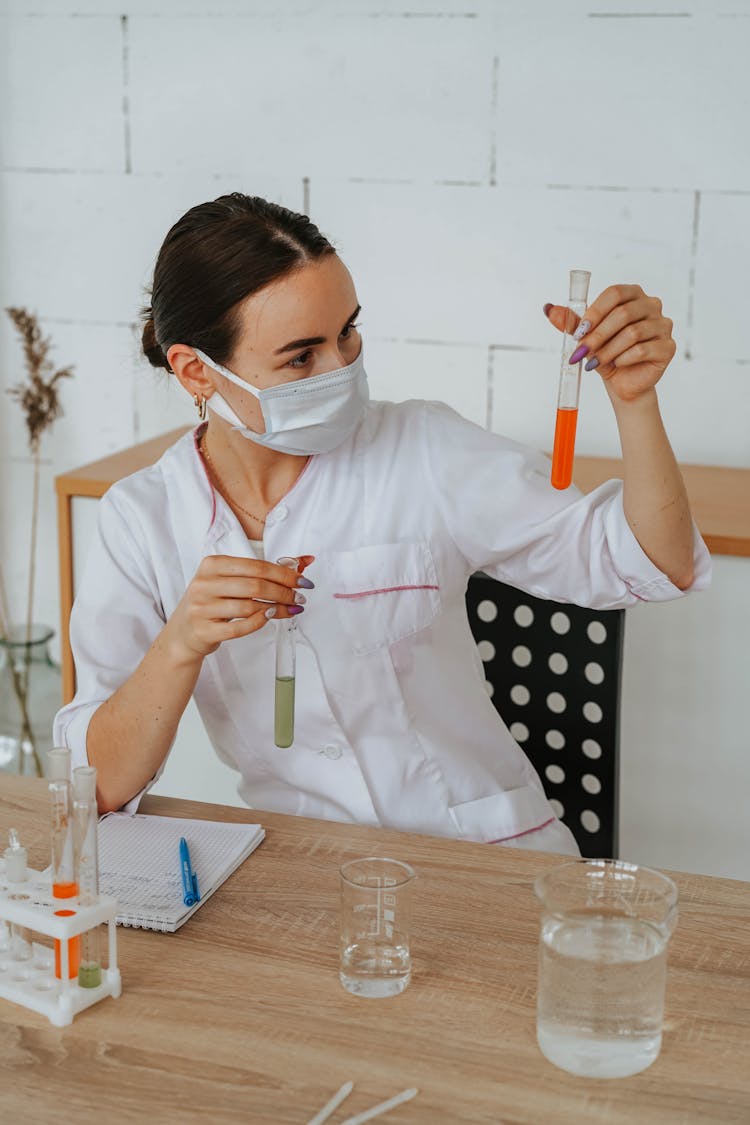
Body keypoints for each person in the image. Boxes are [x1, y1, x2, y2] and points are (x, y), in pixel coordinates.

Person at [53, 193, 710, 856]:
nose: (341, 369)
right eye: (301, 357)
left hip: (487, 862)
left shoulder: (424, 449)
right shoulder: (143, 519)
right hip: (307, 870)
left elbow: (657, 561)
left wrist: (635, 402)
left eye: (348, 332)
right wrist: (180, 644)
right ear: (196, 370)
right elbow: (97, 786)